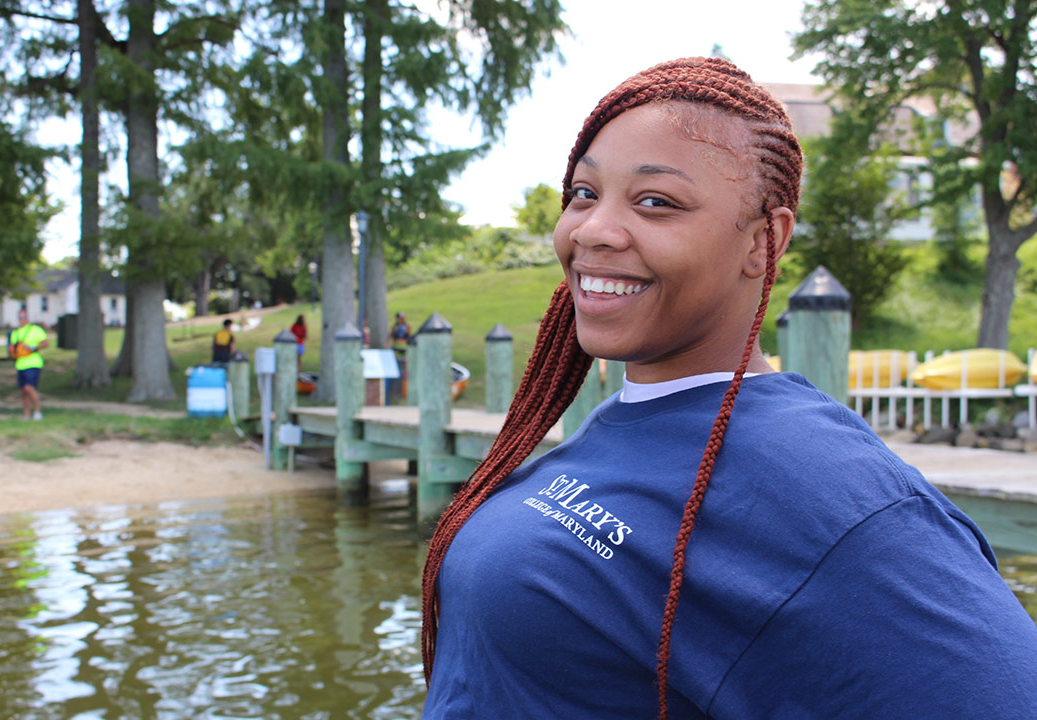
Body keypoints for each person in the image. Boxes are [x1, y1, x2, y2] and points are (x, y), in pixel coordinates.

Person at [420, 58, 1037, 719]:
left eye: (656, 202)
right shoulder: (628, 414)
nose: (594, 229)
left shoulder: (834, 496)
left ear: (764, 243)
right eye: (584, 194)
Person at [9, 309, 48, 421]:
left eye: (24, 317)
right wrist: (12, 350)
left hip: (33, 363)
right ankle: (26, 414)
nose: (22, 319)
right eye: (20, 317)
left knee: (29, 388)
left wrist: (32, 348)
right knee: (23, 391)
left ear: (27, 318)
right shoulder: (15, 333)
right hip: (20, 364)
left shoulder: (35, 330)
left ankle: (37, 412)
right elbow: (13, 347)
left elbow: (45, 343)